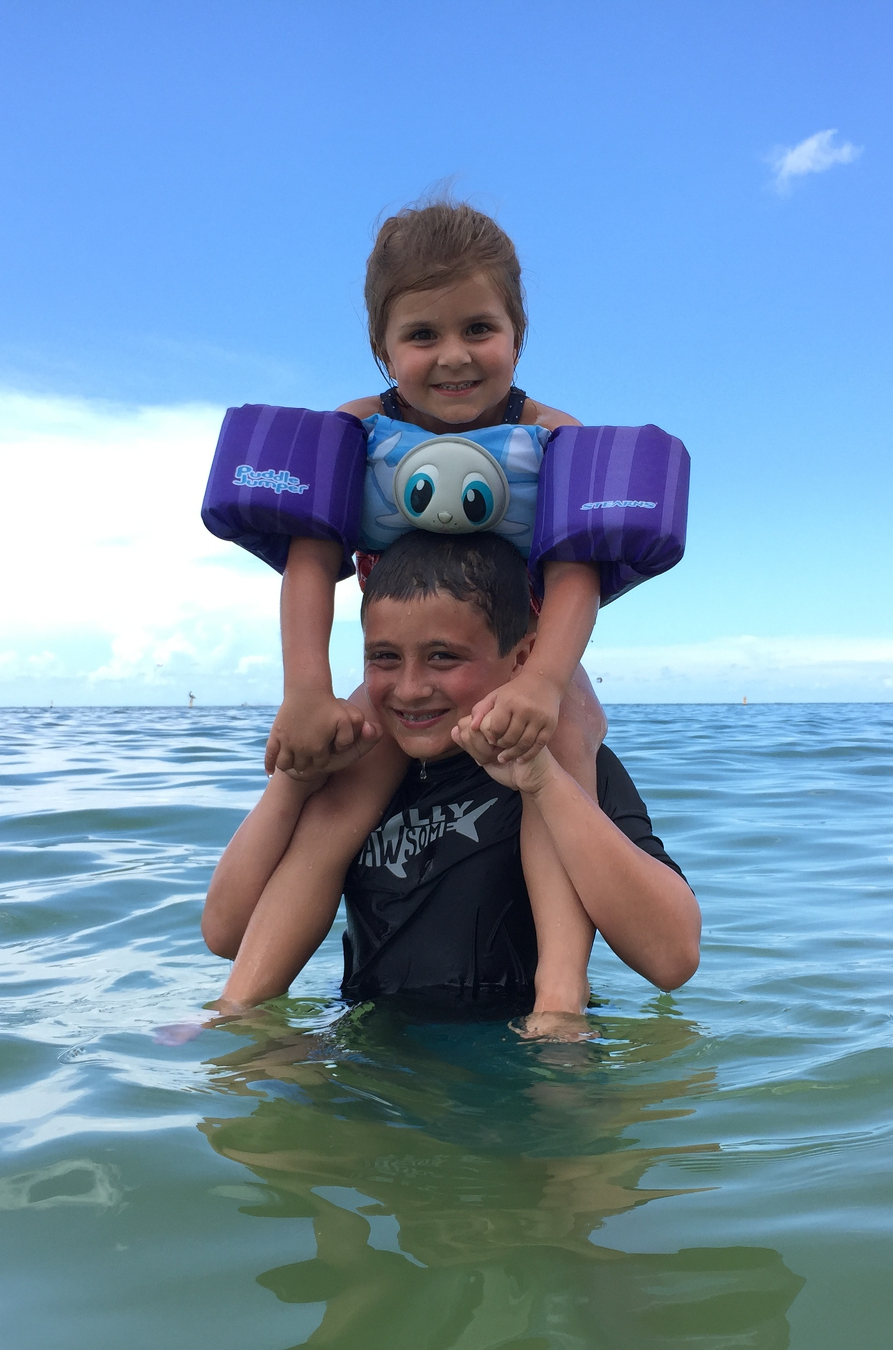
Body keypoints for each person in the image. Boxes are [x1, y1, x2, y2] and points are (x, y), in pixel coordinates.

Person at [203, 197, 688, 1018]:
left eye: (479, 328)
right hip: (410, 654)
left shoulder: (554, 438)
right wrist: (306, 693)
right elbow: (311, 564)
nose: (454, 355)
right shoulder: (351, 434)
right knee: (337, 802)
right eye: (423, 334)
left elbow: (575, 578)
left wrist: (543, 684)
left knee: (562, 745)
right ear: (382, 347)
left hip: (526, 659)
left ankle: (559, 998)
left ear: (517, 334)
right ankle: (238, 1005)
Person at [201, 531, 699, 1025]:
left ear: (522, 659)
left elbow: (673, 959)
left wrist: (545, 784)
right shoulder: (358, 768)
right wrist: (294, 780)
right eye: (384, 657)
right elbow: (226, 936)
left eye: (443, 656)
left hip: (522, 1051)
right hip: (370, 1051)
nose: (411, 689)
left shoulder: (568, 766)